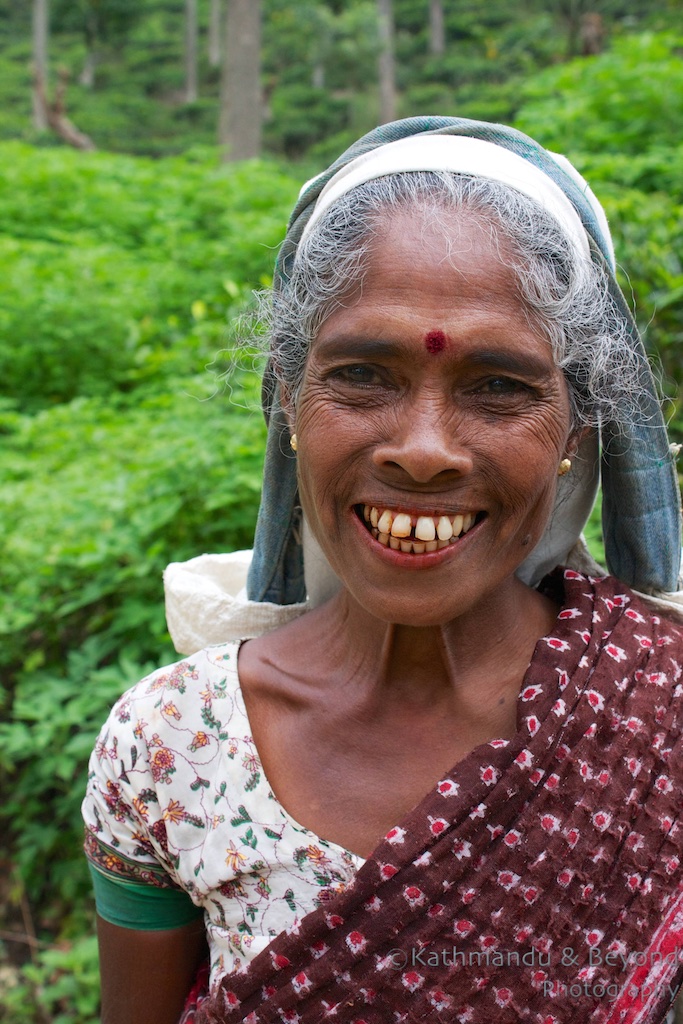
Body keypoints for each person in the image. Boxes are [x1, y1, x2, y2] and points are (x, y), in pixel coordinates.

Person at [82, 116, 683, 1024]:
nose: (424, 451)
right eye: (362, 374)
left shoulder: (657, 713)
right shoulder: (173, 746)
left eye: (499, 387)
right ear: (288, 398)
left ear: (579, 429)